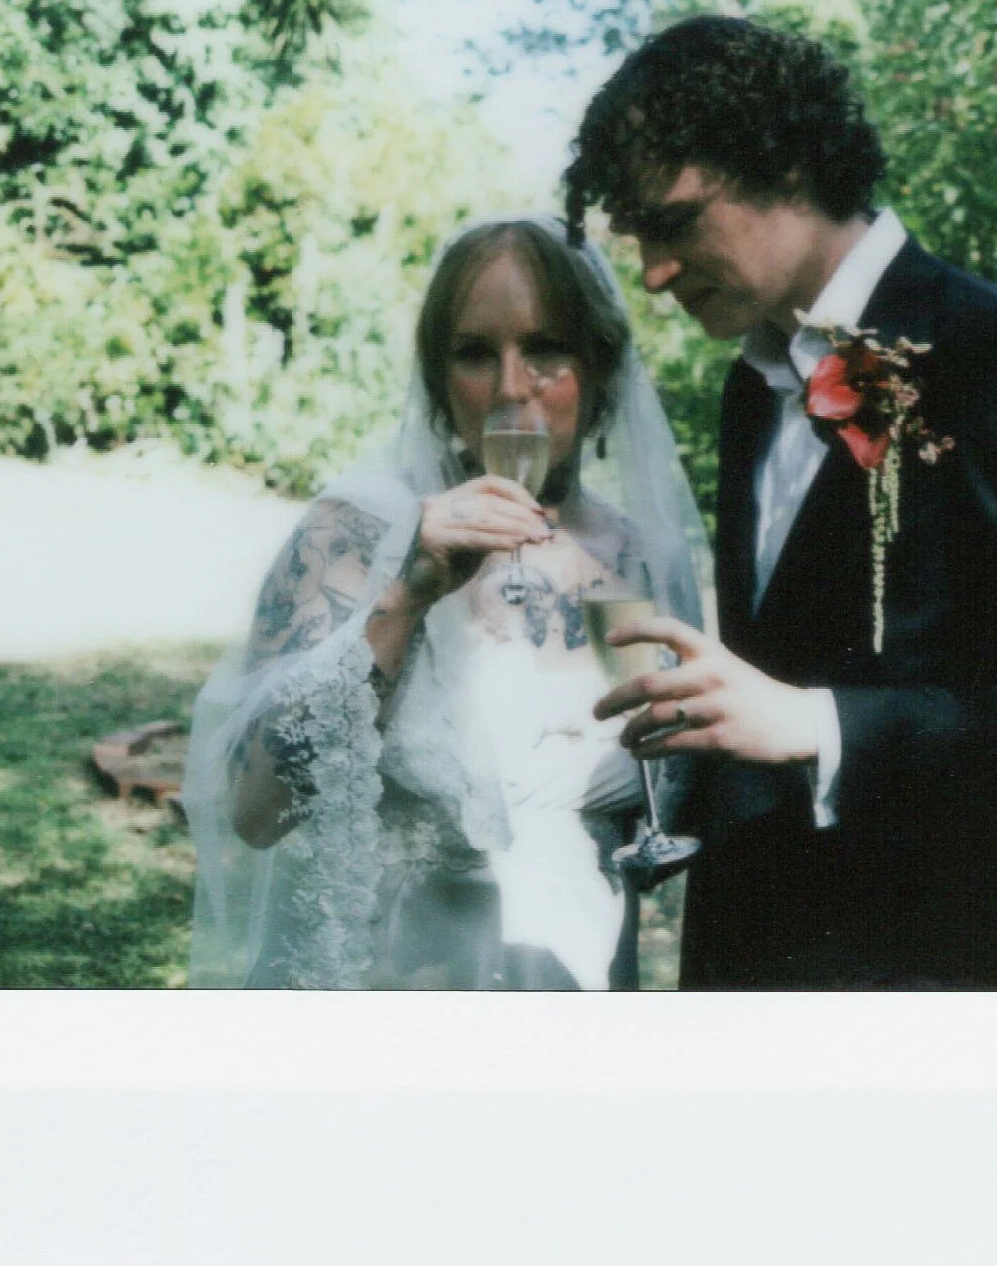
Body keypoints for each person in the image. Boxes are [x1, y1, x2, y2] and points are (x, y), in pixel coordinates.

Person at [564, 14, 997, 988]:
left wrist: (820, 726)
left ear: (787, 162)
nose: (653, 273)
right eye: (638, 238)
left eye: (673, 222)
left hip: (938, 986)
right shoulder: (750, 389)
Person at [185, 216, 710, 990]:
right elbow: (256, 811)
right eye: (474, 353)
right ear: (437, 377)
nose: (510, 387)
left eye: (545, 348)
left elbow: (667, 796)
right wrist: (407, 595)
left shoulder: (639, 558)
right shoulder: (357, 532)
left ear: (598, 366)